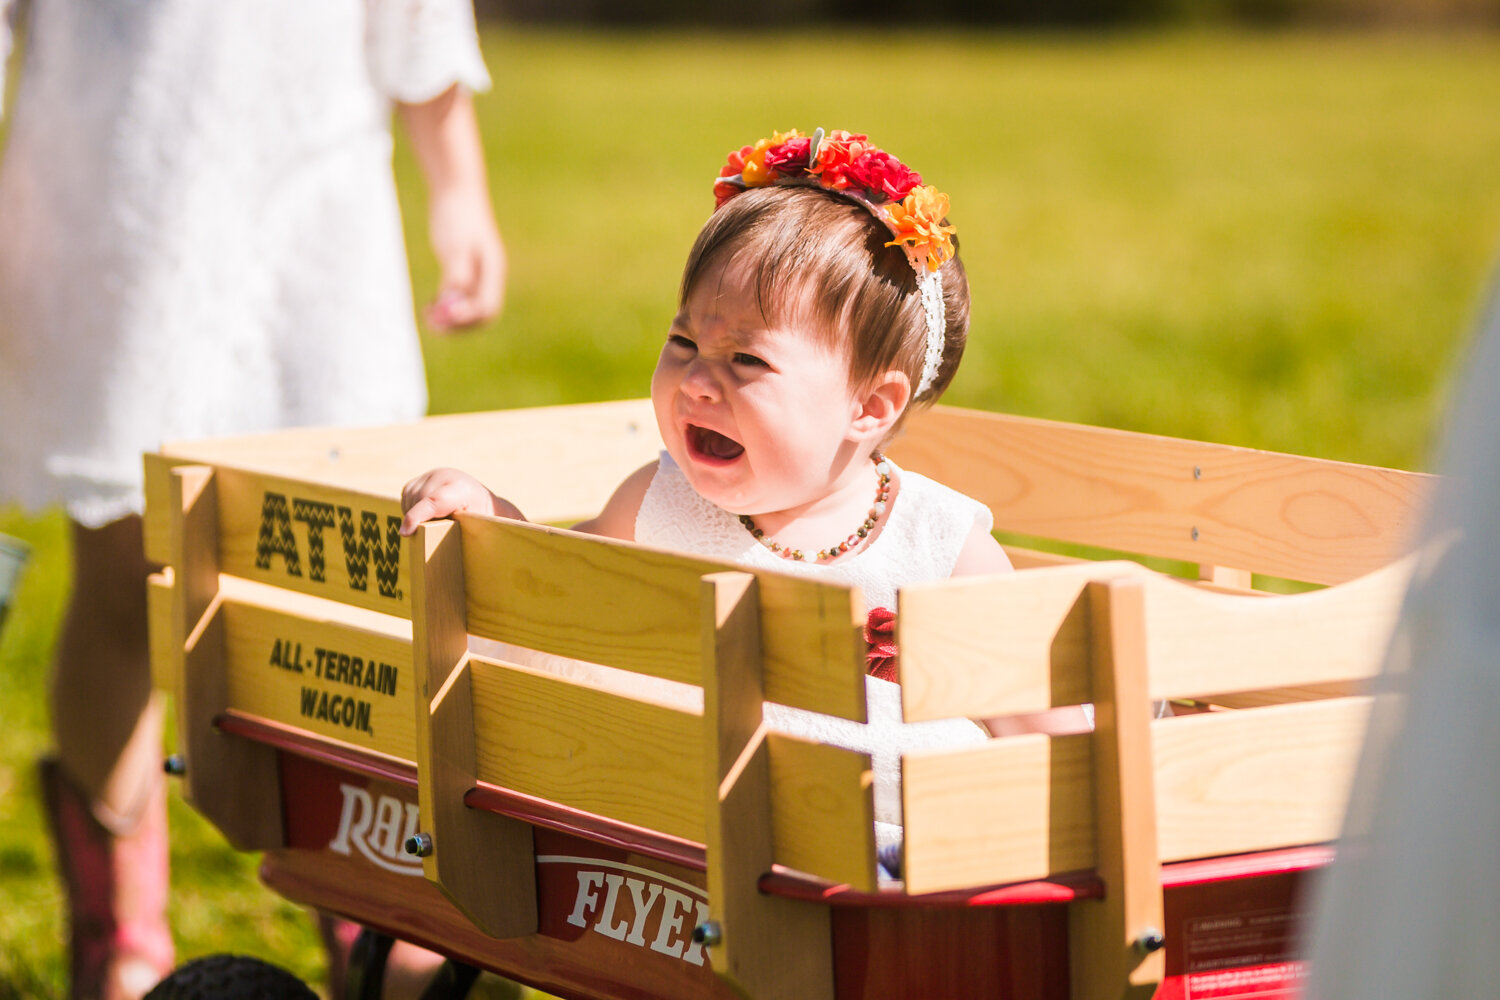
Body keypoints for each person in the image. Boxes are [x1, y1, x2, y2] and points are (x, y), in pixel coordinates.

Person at [0, 2, 504, 997]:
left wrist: (457, 189)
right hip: (118, 209)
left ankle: (367, 899)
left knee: (337, 577)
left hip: (312, 223)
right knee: (127, 574)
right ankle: (122, 932)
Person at [401, 128, 1017, 861]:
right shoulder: (660, 504)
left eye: (747, 359)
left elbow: (1035, 713)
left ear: (870, 407)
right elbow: (558, 590)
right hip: (690, 831)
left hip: (914, 845)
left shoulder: (938, 542)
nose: (696, 381)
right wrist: (491, 519)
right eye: (684, 342)